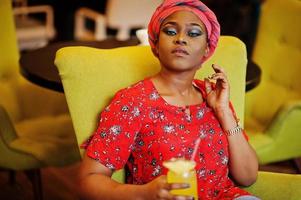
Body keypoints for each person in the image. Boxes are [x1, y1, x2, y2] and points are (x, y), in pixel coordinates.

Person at [78, 0, 259, 199]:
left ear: (207, 49)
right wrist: (145, 193)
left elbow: (248, 176)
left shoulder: (214, 97)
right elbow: (89, 180)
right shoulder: (132, 103)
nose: (181, 38)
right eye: (171, 32)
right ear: (155, 44)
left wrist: (224, 111)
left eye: (193, 33)